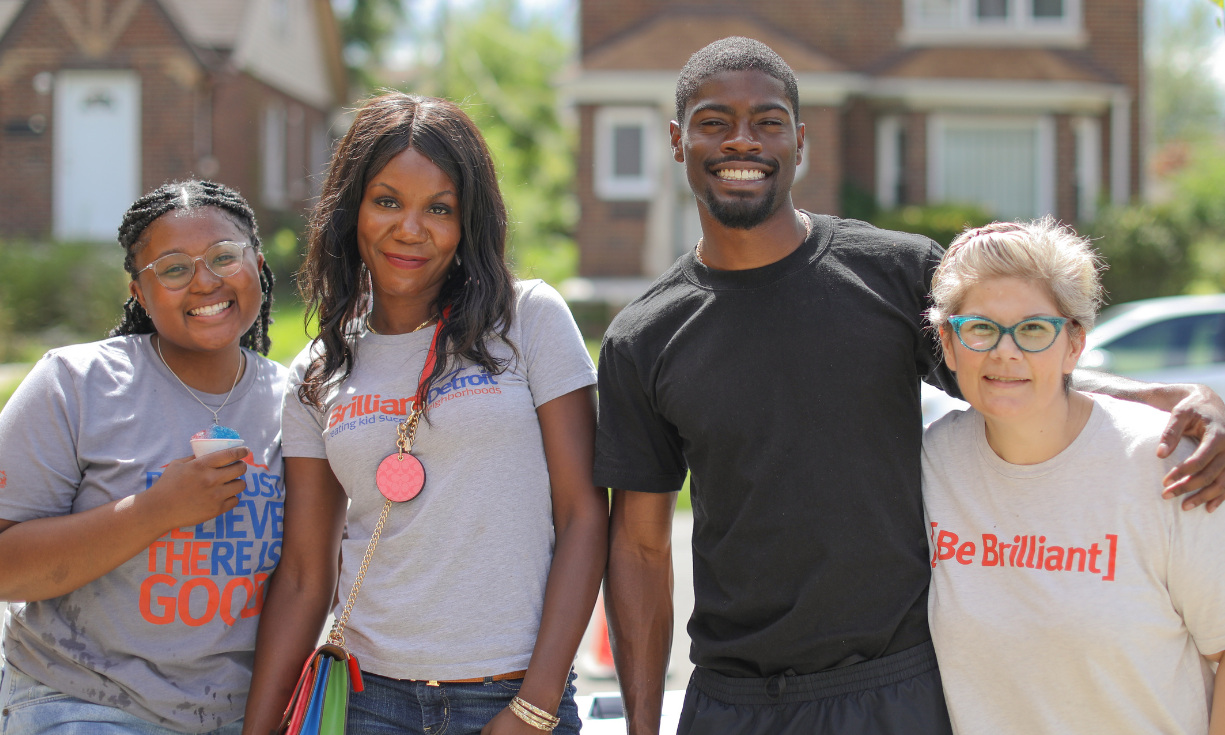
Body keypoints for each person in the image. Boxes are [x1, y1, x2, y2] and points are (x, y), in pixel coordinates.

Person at [596, 36, 1225, 735]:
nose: (741, 140)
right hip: (733, 701)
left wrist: (1175, 402)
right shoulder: (642, 337)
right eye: (714, 122)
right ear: (679, 139)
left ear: (798, 142)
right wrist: (642, 726)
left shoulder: (892, 273)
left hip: (891, 690)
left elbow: (1009, 365)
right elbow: (641, 549)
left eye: (767, 121)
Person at [241, 92, 607, 735]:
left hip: (510, 696)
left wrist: (536, 705)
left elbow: (583, 515)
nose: (410, 229)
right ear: (350, 210)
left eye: (439, 208)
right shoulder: (318, 371)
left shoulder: (529, 321)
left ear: (470, 223)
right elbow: (304, 573)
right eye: (387, 202)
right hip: (364, 701)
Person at [0, 181, 286, 734]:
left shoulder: (296, 402)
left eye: (225, 257)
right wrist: (154, 511)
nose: (206, 280)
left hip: (238, 714)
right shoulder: (76, 384)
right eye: (174, 268)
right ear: (137, 289)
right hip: (84, 699)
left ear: (257, 262)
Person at [922, 219, 1224, 735]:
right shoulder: (930, 463)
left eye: (1034, 329)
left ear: (1074, 345)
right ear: (947, 345)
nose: (1005, 351)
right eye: (980, 328)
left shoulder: (1167, 463)